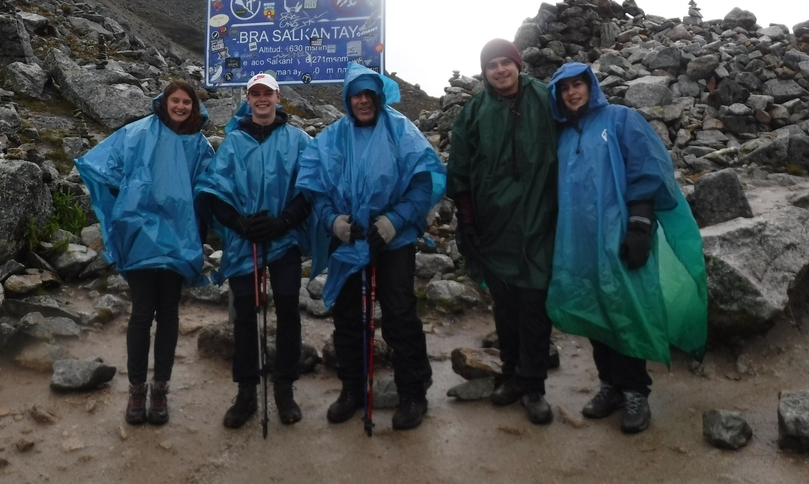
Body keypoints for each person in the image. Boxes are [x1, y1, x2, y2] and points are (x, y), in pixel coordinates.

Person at [547, 62, 707, 434]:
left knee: (628, 308)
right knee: (594, 308)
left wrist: (639, 224)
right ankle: (610, 385)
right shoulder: (564, 136)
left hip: (621, 233)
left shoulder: (620, 119)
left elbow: (646, 169)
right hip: (580, 239)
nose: (572, 92)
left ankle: (636, 390)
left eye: (578, 85)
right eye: (565, 88)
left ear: (591, 87)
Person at [297, 61, 446, 431]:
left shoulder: (402, 132)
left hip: (394, 239)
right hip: (350, 237)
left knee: (399, 312)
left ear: (378, 97)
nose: (362, 101)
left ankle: (413, 392)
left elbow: (422, 183)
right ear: (347, 100)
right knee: (348, 315)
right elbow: (315, 188)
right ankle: (351, 389)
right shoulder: (332, 137)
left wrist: (394, 221)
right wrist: (333, 220)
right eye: (355, 96)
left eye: (368, 95)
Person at [75, 81, 213, 426]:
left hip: (177, 239)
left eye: (186, 102)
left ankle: (159, 390)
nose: (180, 106)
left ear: (193, 107)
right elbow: (104, 165)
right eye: (175, 100)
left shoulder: (199, 144)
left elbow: (210, 186)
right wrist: (127, 204)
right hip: (140, 236)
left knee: (168, 314)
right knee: (141, 313)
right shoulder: (137, 133)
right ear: (163, 102)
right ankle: (138, 388)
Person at [446, 39, 559, 425]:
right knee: (506, 308)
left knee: (535, 308)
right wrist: (467, 220)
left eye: (505, 63)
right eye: (491, 65)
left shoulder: (546, 98)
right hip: (493, 227)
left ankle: (534, 386)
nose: (499, 70)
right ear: (485, 72)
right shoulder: (474, 112)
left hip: (540, 223)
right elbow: (459, 169)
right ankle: (510, 375)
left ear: (518, 64)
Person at [195, 73, 315, 429]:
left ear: (278, 98)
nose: (262, 99)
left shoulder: (299, 141)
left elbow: (309, 189)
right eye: (255, 93)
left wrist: (282, 223)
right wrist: (239, 223)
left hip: (286, 238)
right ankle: (246, 390)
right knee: (245, 313)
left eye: (268, 93)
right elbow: (214, 192)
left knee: (289, 308)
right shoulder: (232, 143)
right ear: (247, 99)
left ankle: (284, 387)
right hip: (242, 240)